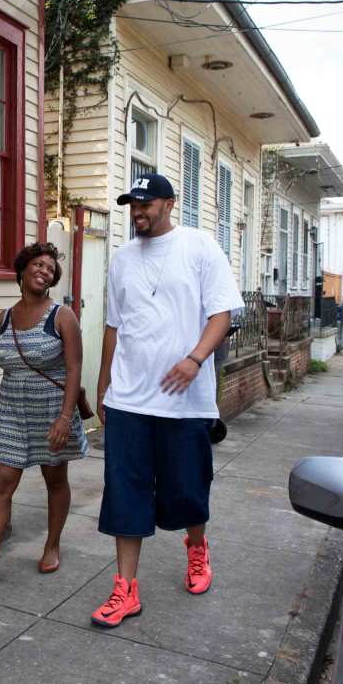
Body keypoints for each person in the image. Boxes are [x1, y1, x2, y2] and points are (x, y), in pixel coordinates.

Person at [91, 173, 243, 628]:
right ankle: (126, 591)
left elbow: (222, 313)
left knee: (187, 490)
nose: (138, 211)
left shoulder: (200, 248)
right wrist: (104, 386)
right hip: (129, 399)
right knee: (124, 494)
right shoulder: (120, 259)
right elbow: (114, 326)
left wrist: (196, 359)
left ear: (170, 204)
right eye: (132, 205)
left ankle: (196, 549)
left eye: (146, 203)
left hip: (184, 402)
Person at [0, 242, 89, 590]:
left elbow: (74, 368)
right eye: (38, 265)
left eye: (50, 269)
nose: (45, 271)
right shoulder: (5, 318)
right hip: (12, 408)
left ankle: (52, 544)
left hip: (51, 410)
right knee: (0, 484)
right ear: (23, 269)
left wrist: (63, 417)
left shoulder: (62, 316)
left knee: (55, 480)